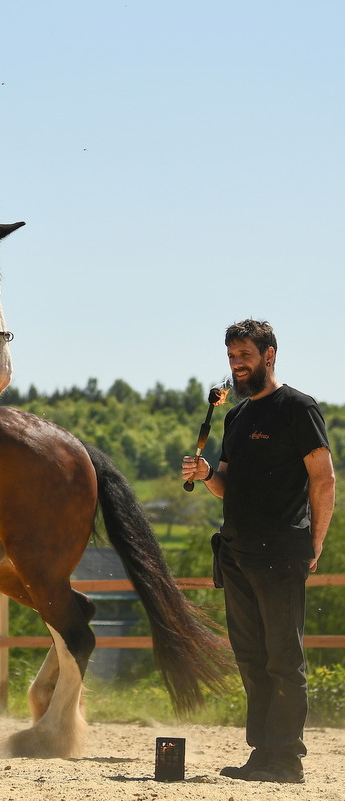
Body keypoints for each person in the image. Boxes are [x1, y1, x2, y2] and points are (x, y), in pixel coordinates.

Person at [181, 319, 335, 784]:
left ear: (269, 355)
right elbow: (226, 486)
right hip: (236, 553)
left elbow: (324, 478)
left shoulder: (298, 407)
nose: (237, 365)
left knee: (283, 660)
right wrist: (207, 474)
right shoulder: (236, 416)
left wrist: (316, 542)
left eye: (244, 355)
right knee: (251, 659)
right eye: (231, 357)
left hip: (281, 553)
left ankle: (286, 760)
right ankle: (261, 755)